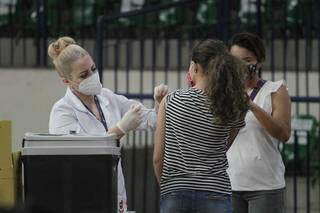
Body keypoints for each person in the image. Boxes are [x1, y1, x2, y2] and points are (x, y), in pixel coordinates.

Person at [47, 36, 168, 212]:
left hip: (115, 193)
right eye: (84, 75)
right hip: (82, 197)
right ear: (66, 81)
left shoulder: (107, 97)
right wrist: (120, 129)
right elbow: (80, 154)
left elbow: (152, 121)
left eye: (93, 69)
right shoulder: (62, 111)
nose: (92, 76)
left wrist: (159, 105)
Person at [153, 39, 249, 213]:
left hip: (176, 191)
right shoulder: (234, 104)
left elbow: (158, 158)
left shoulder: (171, 101)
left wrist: (169, 187)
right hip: (216, 192)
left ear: (195, 68)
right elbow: (224, 146)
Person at [227, 32, 291, 213]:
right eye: (235, 60)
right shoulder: (224, 91)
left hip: (265, 186)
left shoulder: (275, 90)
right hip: (230, 183)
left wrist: (251, 106)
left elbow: (284, 133)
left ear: (259, 61)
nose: (240, 66)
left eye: (247, 60)